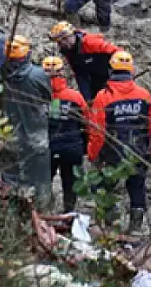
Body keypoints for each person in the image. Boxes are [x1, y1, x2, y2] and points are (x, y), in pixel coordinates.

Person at [88, 51, 151, 233]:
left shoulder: (103, 97)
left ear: (111, 70)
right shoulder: (144, 94)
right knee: (137, 187)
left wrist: (93, 154)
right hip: (138, 150)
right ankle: (135, 229)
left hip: (113, 153)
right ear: (131, 71)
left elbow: (97, 132)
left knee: (102, 186)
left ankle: (112, 223)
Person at [0, 35, 53, 209]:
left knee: (10, 179)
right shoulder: (38, 75)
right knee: (40, 179)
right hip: (36, 135)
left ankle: (11, 215)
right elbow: (48, 99)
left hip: (9, 135)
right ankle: (42, 214)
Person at [44, 56, 89, 213]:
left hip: (46, 147)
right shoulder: (75, 97)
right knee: (70, 183)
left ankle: (44, 214)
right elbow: (87, 123)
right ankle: (68, 212)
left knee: (43, 182)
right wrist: (85, 146)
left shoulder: (37, 96)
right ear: (62, 73)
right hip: (72, 146)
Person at [48, 21, 122, 100]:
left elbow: (118, 53)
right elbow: (79, 73)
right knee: (88, 101)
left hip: (108, 75)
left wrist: (121, 76)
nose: (64, 43)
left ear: (73, 35)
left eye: (66, 38)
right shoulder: (67, 51)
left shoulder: (90, 42)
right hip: (88, 77)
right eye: (60, 42)